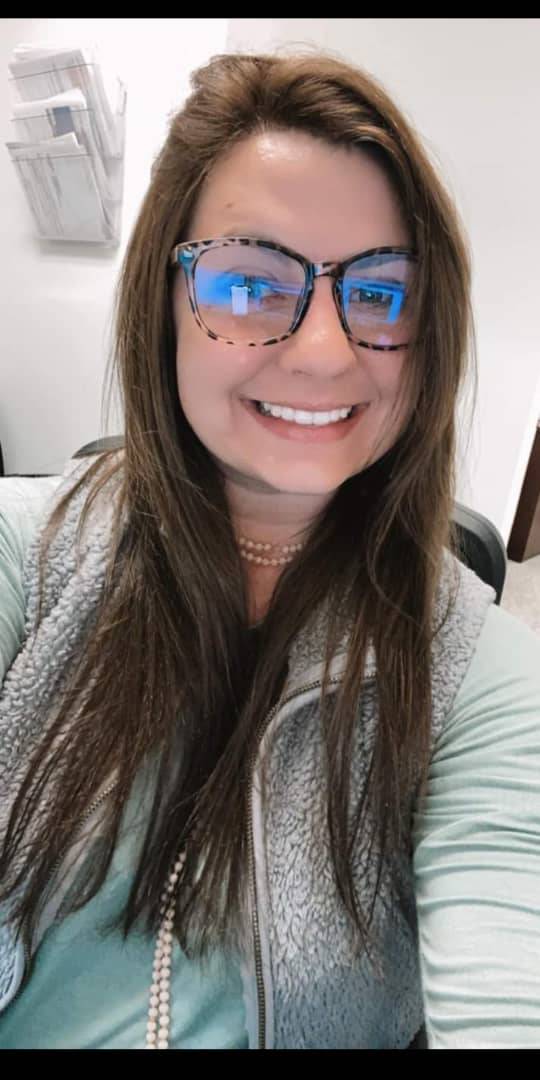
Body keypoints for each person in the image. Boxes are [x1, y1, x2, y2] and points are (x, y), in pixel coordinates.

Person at [0, 49, 539, 1051]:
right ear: (163, 303)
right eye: (250, 281)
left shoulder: (482, 676)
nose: (326, 351)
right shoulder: (22, 553)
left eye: (382, 296)